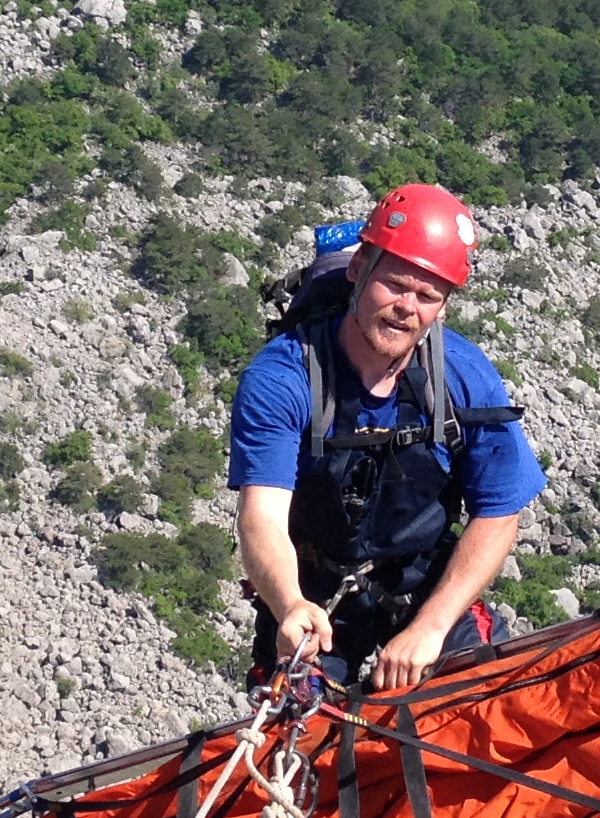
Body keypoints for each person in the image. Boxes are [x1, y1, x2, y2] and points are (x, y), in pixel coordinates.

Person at [227, 182, 545, 692]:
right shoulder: (284, 377)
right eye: (394, 285)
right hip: (314, 588)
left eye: (427, 296)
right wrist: (288, 603)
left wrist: (432, 626)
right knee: (298, 734)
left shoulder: (461, 375)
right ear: (358, 270)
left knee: (481, 708)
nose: (406, 307)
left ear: (442, 306)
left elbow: (500, 510)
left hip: (423, 582)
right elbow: (261, 511)